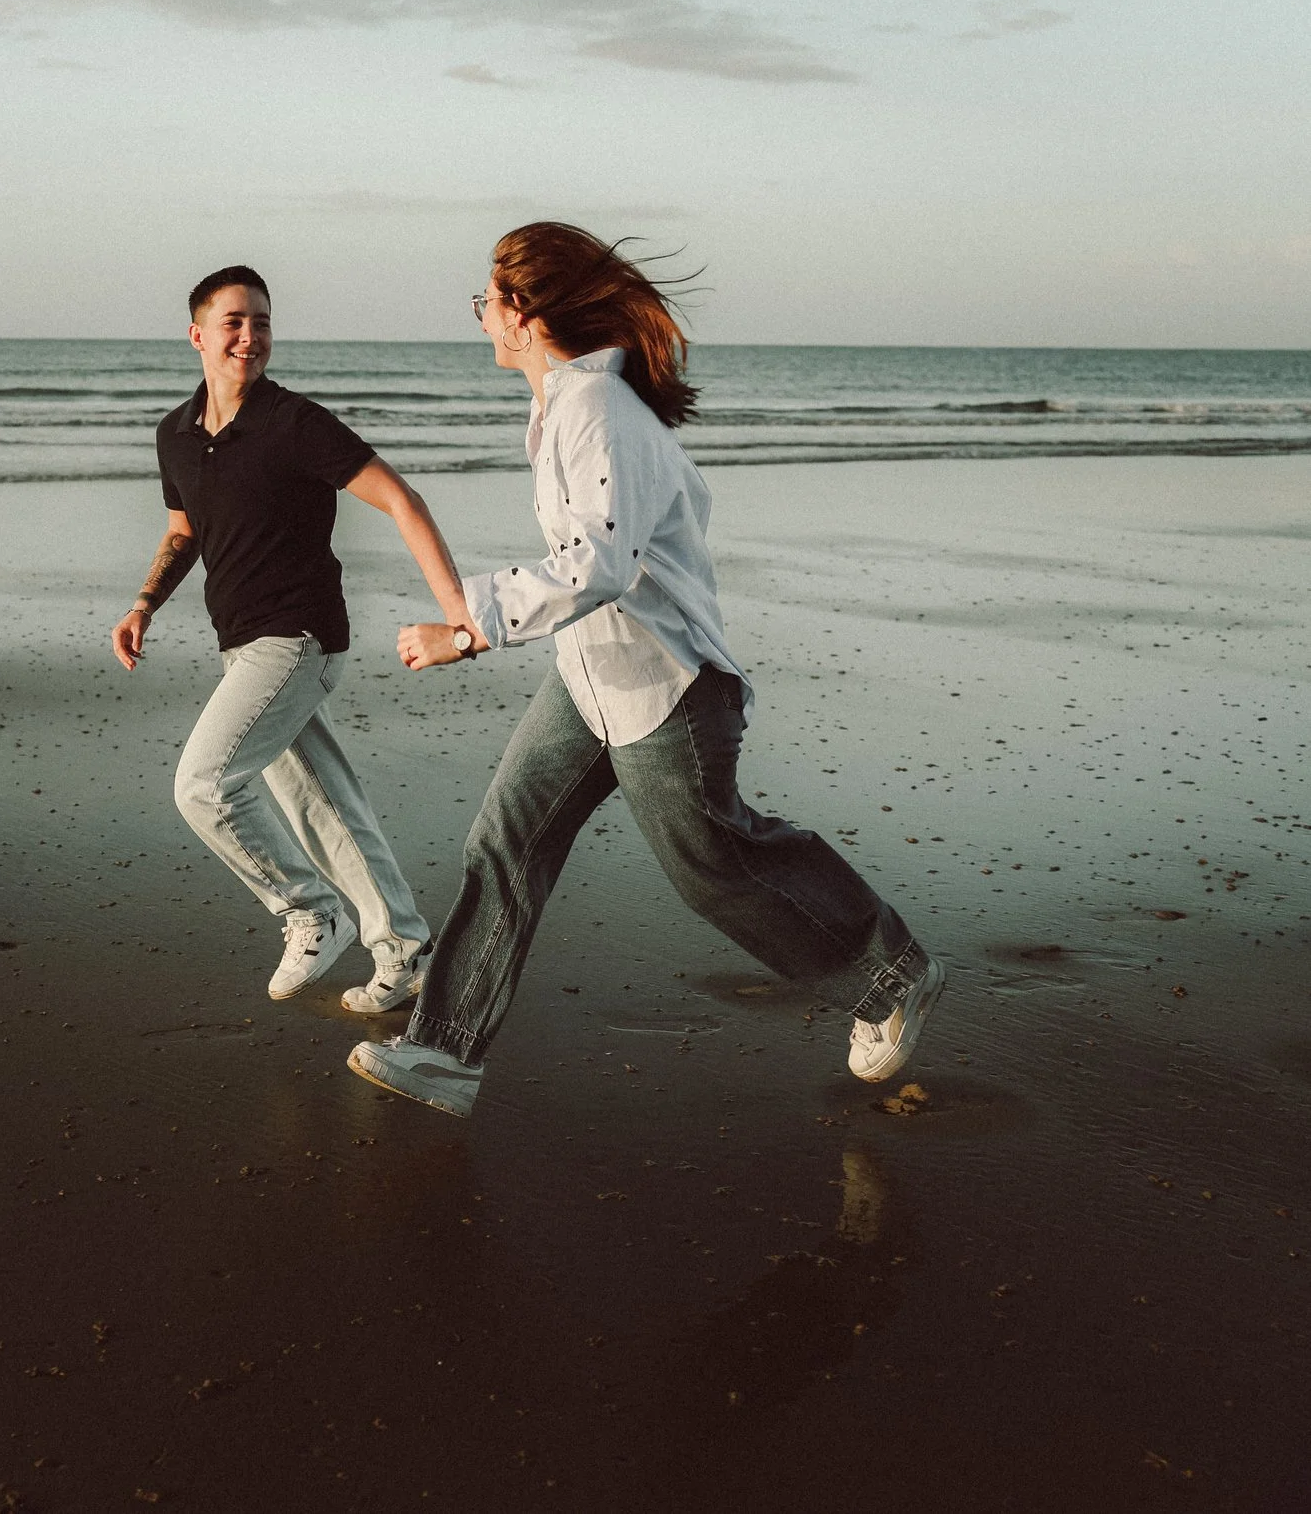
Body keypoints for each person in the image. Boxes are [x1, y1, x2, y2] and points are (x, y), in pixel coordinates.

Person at [346, 223, 941, 1118]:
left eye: (486, 304)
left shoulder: (596, 408)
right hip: (590, 676)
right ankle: (443, 1051)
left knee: (716, 863)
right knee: (505, 842)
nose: (482, 320)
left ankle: (891, 973)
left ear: (524, 312)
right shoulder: (565, 406)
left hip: (667, 684)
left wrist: (468, 630)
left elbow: (602, 563)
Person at [112, 265, 472, 1010]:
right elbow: (183, 531)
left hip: (299, 638)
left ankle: (310, 910)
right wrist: (144, 604)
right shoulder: (176, 434)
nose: (250, 336)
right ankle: (403, 950)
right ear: (197, 335)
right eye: (234, 322)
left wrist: (458, 615)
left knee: (204, 785)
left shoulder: (294, 422)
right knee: (325, 808)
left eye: (263, 322)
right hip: (241, 643)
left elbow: (401, 499)